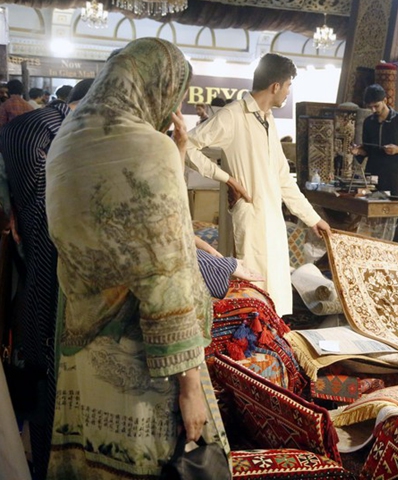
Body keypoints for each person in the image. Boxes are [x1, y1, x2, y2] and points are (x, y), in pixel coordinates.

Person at [44, 38, 229, 479]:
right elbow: (167, 271)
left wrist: (177, 152)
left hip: (80, 337)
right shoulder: (147, 147)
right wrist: (190, 387)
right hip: (142, 354)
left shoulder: (66, 143)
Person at [185, 52, 330, 317]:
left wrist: (312, 219)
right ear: (275, 86)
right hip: (251, 215)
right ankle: (252, 345)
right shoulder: (232, 116)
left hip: (272, 218)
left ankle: (274, 342)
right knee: (252, 287)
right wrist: (225, 178)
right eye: (287, 86)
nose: (287, 92)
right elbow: (187, 146)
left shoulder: (267, 120)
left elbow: (283, 178)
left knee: (276, 287)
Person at [0, 78, 93, 479]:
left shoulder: (53, 131)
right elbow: (50, 228)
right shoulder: (34, 131)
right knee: (50, 390)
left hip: (47, 279)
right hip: (48, 279)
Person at [351, 84, 398, 243]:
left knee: (397, 215)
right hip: (373, 174)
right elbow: (367, 150)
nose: (373, 110)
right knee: (373, 214)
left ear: (385, 100)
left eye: (376, 106)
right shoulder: (368, 122)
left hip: (394, 175)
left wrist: (397, 150)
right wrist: (359, 152)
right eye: (370, 107)